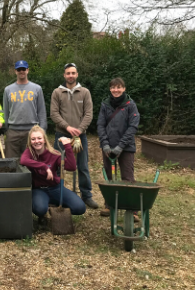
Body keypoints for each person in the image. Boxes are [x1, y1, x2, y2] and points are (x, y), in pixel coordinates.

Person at [50, 63, 98, 209]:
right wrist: (68, 127)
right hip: (61, 135)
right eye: (68, 73)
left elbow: (88, 113)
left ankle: (87, 195)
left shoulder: (85, 92)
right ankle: (55, 193)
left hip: (79, 137)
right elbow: (54, 113)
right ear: (64, 75)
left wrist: (80, 129)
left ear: (77, 74)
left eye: (73, 73)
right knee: (56, 166)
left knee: (82, 166)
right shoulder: (57, 93)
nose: (70, 75)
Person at [20, 125, 86, 224]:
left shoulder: (54, 153)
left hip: (55, 188)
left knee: (80, 208)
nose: (36, 141)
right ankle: (43, 212)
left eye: (39, 138)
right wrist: (44, 167)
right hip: (39, 189)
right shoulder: (29, 152)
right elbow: (23, 160)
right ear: (30, 141)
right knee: (40, 209)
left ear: (44, 140)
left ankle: (55, 211)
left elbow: (71, 167)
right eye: (33, 139)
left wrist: (67, 146)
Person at [97, 77, 140, 220]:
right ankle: (109, 205)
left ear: (124, 88)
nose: (116, 90)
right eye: (113, 87)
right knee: (109, 177)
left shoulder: (130, 105)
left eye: (119, 87)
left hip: (126, 148)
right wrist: (105, 144)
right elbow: (100, 125)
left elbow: (133, 127)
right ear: (110, 89)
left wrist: (121, 146)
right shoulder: (105, 104)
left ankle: (132, 209)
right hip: (108, 147)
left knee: (127, 177)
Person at [3, 60, 47, 158]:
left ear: (27, 70)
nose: (21, 71)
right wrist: (6, 130)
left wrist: (42, 131)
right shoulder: (8, 89)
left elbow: (41, 111)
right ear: (15, 71)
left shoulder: (37, 88)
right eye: (19, 69)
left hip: (32, 131)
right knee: (11, 162)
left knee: (32, 162)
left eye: (23, 69)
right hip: (13, 132)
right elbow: (5, 111)